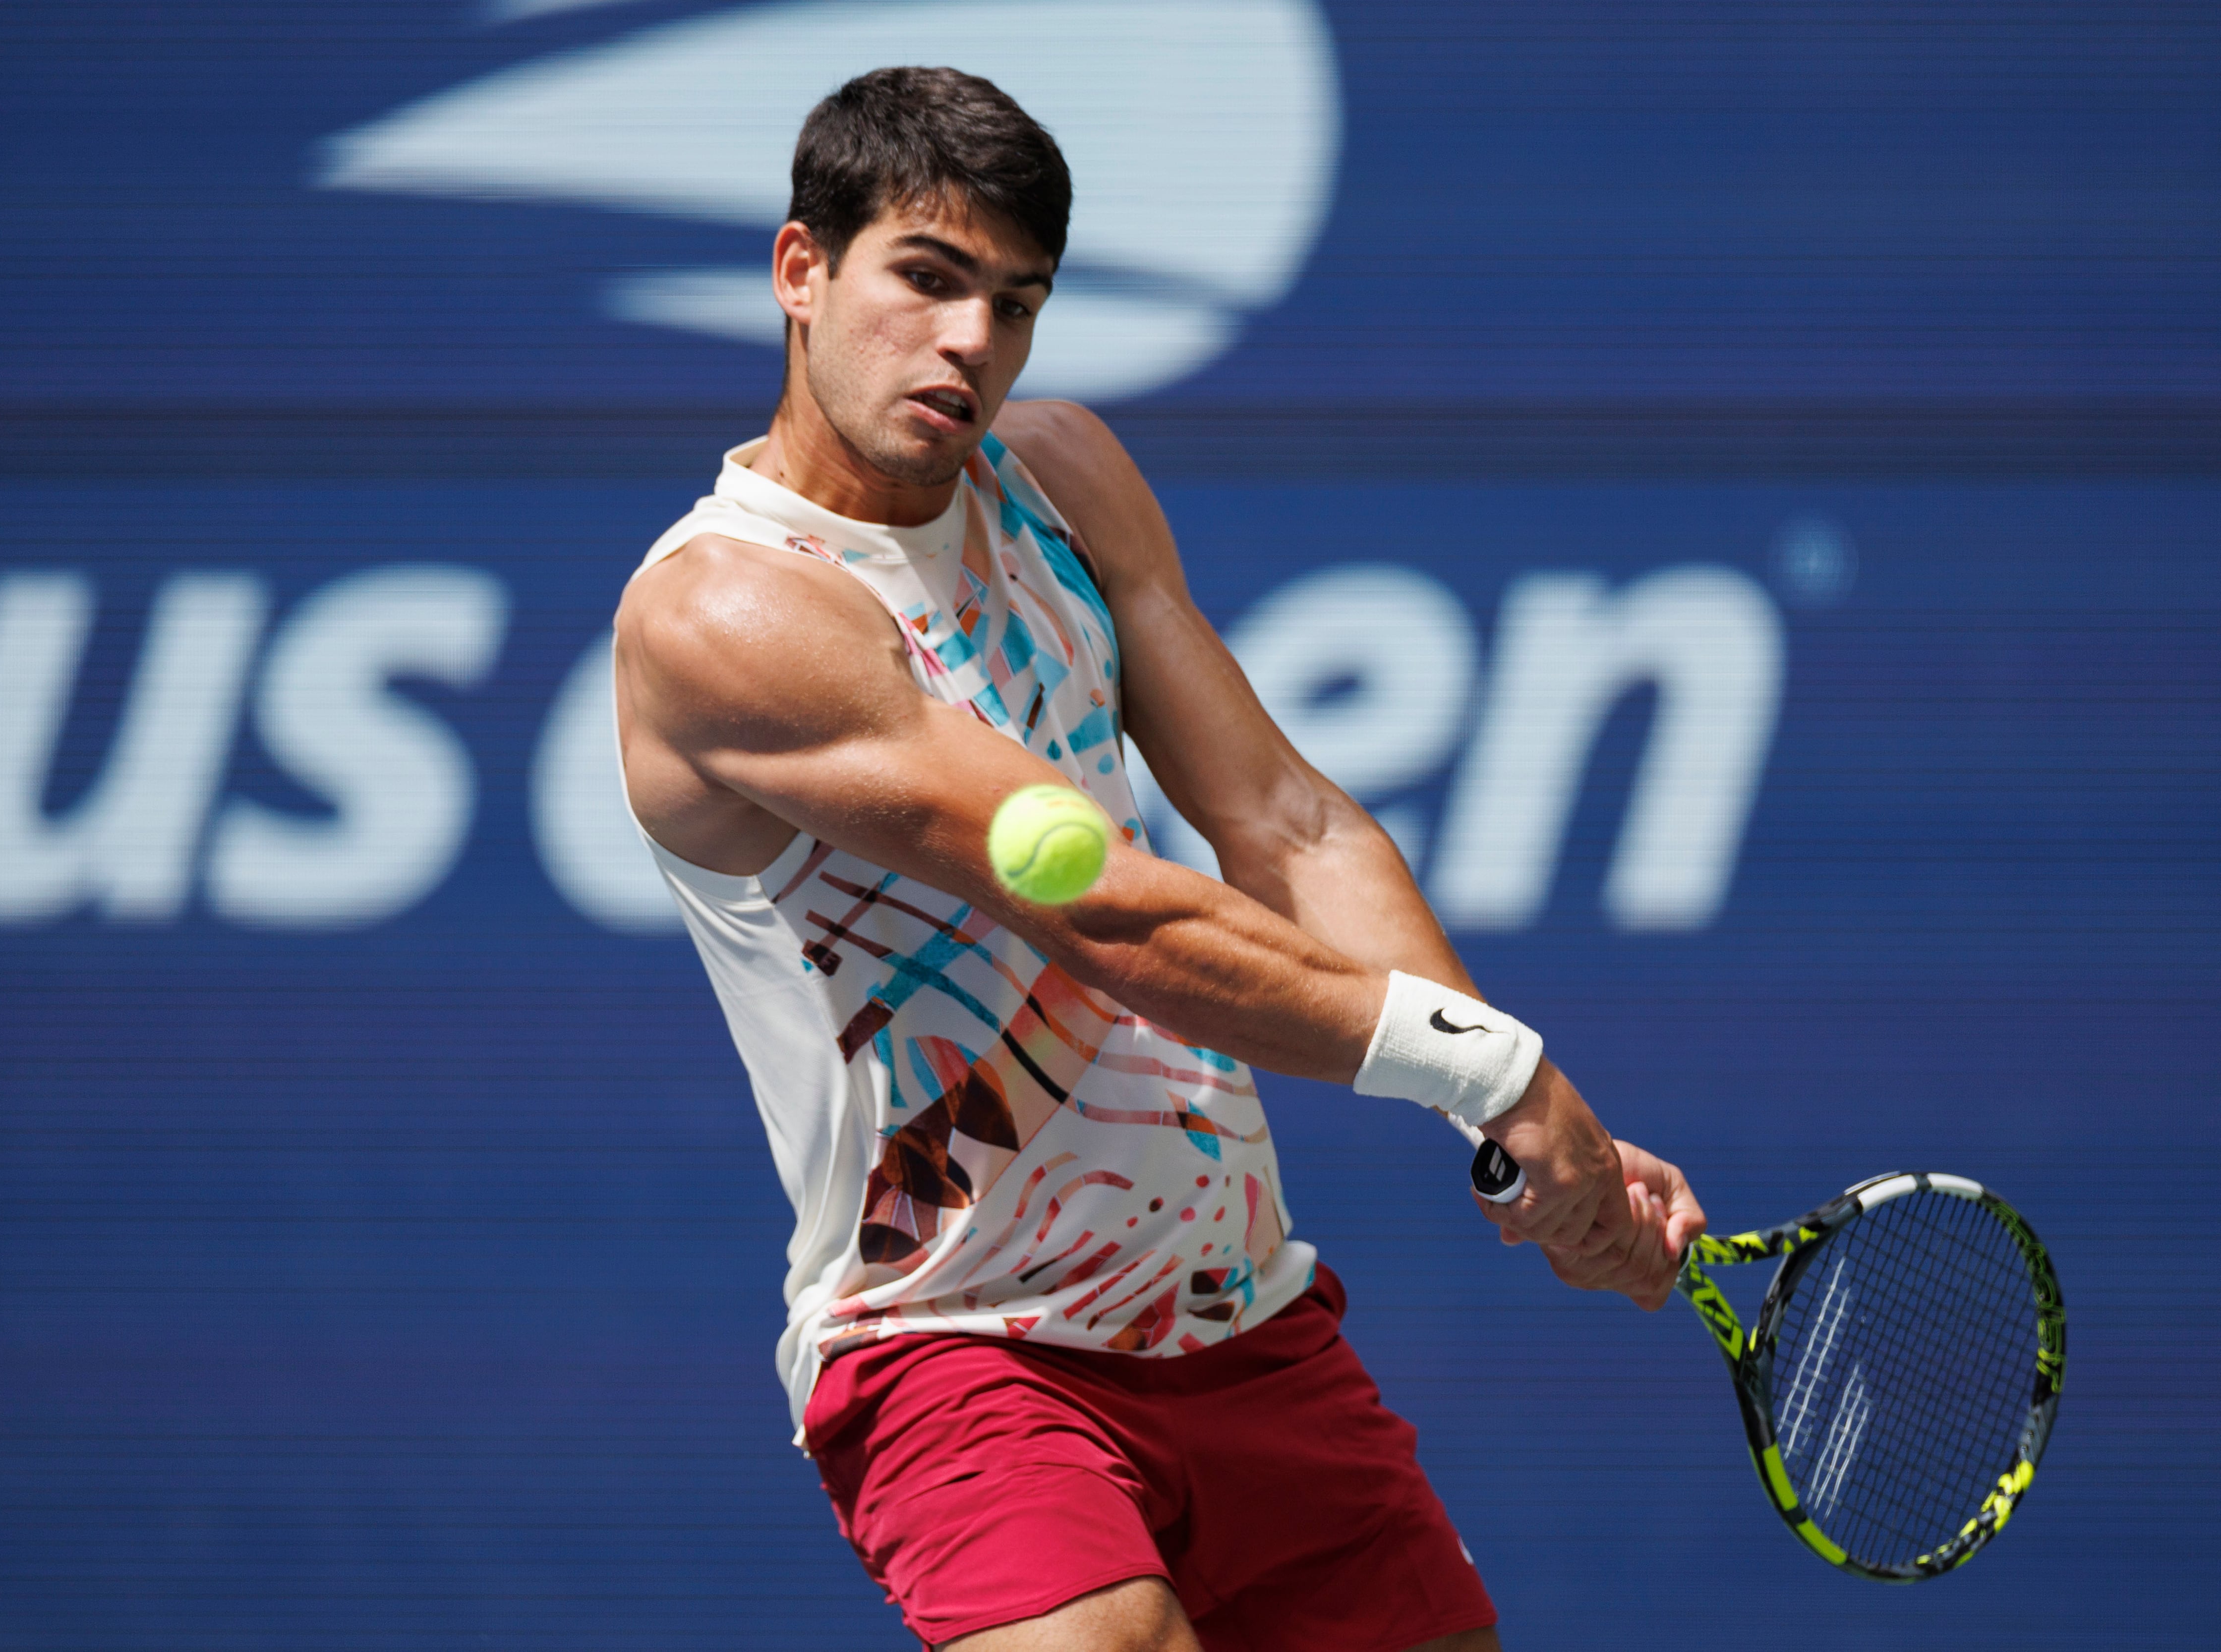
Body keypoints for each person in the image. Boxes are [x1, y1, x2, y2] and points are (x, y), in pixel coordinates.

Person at [613, 66, 1707, 1652]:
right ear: (801, 272)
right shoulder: (727, 611)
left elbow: (1286, 820)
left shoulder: (1062, 478)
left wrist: (1522, 1133)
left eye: (1015, 301)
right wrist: (1496, 1070)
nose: (969, 344)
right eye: (924, 279)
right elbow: (1109, 915)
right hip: (956, 1342)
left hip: (1237, 1311)